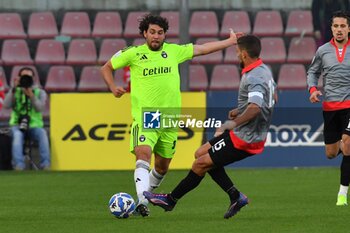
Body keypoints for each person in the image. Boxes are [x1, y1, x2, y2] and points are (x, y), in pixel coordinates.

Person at [100, 14, 240, 217]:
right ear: (144, 34)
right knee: (143, 154)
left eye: (160, 33)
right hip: (146, 116)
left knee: (162, 167)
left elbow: (201, 49)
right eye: (152, 32)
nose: (156, 36)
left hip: (170, 119)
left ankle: (146, 196)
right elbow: (107, 67)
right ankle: (141, 201)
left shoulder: (174, 51)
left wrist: (230, 41)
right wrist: (113, 87)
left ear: (164, 35)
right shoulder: (133, 54)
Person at [143, 34, 277, 219]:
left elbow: (255, 108)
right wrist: (240, 110)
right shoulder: (264, 70)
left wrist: (233, 123)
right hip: (244, 133)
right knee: (200, 153)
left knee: (200, 164)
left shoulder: (254, 76)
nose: (236, 55)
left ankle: (171, 200)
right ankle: (235, 196)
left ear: (245, 54)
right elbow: (272, 98)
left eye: (237, 51)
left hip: (245, 138)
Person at [307, 11, 350, 206]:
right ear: (331, 28)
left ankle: (342, 195)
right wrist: (313, 89)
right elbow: (312, 72)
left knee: (348, 145)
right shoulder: (323, 50)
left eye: (343, 26)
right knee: (331, 153)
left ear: (348, 28)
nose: (339, 30)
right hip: (330, 107)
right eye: (336, 26)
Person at [3, 67, 50, 170]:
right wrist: (13, 90)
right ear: (19, 78)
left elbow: (39, 108)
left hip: (34, 125)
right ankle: (19, 166)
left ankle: (45, 165)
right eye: (23, 76)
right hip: (17, 125)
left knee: (42, 134)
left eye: (28, 77)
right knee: (17, 135)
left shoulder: (40, 92)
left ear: (33, 78)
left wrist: (31, 95)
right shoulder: (15, 91)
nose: (26, 79)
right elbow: (6, 105)